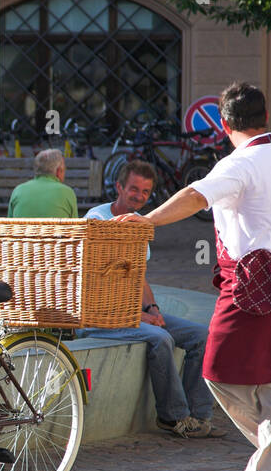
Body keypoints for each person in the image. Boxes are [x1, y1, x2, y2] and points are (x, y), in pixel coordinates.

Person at [122, 81, 271, 471]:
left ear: (223, 123)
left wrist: (148, 220)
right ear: (266, 116)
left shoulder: (237, 165)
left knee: (216, 368)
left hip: (255, 279)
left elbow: (193, 196)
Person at [79, 161, 222, 437]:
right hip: (100, 316)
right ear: (119, 187)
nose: (139, 197)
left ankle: (200, 417)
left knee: (202, 336)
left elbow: (139, 276)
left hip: (131, 313)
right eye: (133, 189)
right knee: (161, 339)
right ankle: (172, 417)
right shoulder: (97, 221)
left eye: (145, 192)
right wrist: (142, 317)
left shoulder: (139, 224)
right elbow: (97, 286)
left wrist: (152, 309)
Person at [9, 149, 77, 218]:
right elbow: (75, 227)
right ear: (58, 171)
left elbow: (9, 225)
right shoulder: (67, 193)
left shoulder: (18, 191)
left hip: (23, 229)